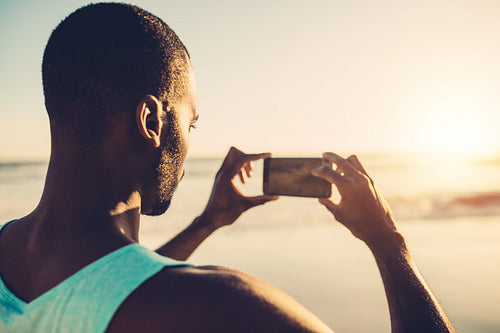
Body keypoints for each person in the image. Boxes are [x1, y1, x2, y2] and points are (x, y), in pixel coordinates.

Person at [0, 3, 455, 332]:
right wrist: (388, 244)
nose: (190, 138)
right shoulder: (223, 306)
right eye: (191, 122)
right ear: (152, 121)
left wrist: (209, 220)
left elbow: (109, 287)